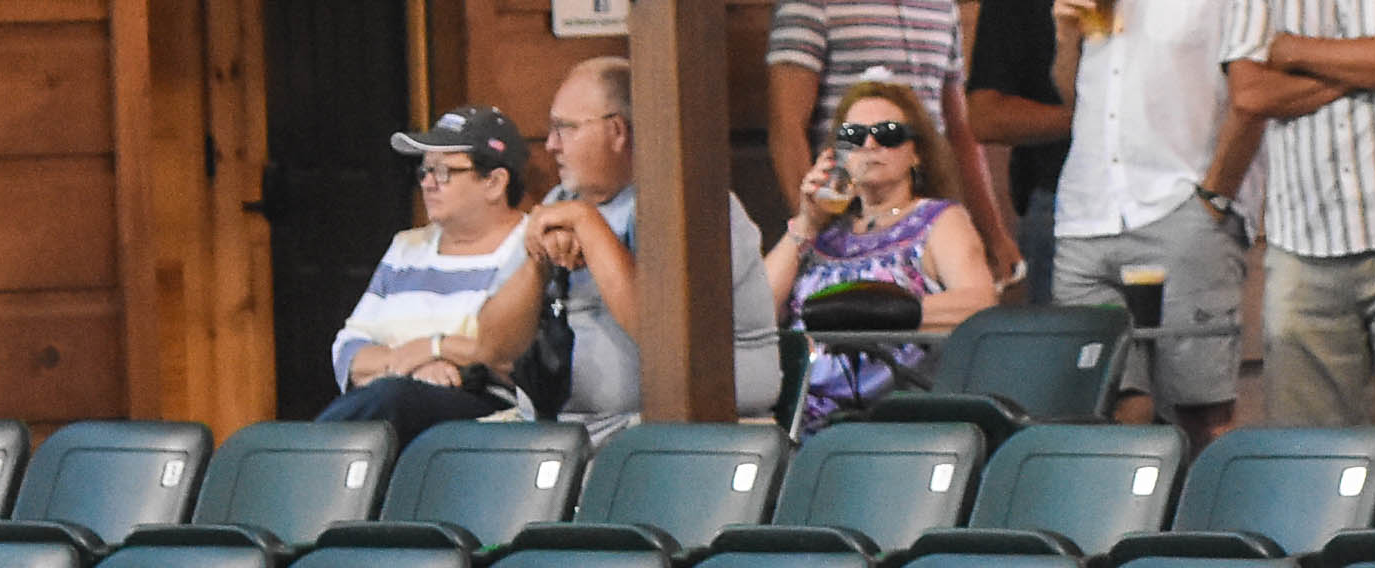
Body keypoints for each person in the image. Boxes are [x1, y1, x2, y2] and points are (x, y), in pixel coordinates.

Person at [475, 58, 781, 441]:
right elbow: (492, 348)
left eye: (564, 128)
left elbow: (664, 337)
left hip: (684, 435)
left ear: (617, 131)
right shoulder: (559, 203)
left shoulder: (691, 204)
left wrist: (588, 225)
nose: (551, 145)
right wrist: (538, 265)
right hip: (555, 435)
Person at [1222, 0, 1375, 428]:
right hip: (1303, 236)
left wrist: (1293, 51)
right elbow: (1251, 93)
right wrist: (1372, 68)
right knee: (1309, 456)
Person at [1052, 0, 1260, 429]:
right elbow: (1075, 99)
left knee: (1200, 408)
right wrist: (1065, 36)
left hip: (1180, 205)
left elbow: (1254, 94)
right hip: (1085, 213)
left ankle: (1204, 497)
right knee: (1104, 403)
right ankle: (1129, 498)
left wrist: (1214, 199)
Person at [768, 74, 1004, 432]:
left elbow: (979, 302)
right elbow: (758, 312)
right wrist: (805, 223)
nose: (871, 143)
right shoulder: (823, 233)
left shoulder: (936, 220)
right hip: (798, 414)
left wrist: (877, 315)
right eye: (854, 136)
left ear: (916, 152)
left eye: (889, 134)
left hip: (888, 417)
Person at [316, 108, 537, 446]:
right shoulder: (407, 248)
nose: (428, 183)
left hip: (492, 415)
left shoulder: (530, 244)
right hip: (399, 402)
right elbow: (349, 349)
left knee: (391, 401)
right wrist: (412, 368)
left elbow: (508, 355)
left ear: (494, 183)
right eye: (425, 170)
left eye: (445, 172)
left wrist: (434, 349)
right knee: (392, 398)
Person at [769, 0, 1021, 274]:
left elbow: (959, 130)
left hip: (930, 215)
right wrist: (813, 233)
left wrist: (993, 234)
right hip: (849, 214)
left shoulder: (942, 6)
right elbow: (787, 127)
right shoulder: (811, 4)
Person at [968, 0, 1079, 293]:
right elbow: (985, 118)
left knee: (1178, 334)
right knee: (1068, 336)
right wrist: (1092, 122)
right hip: (1058, 198)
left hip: (1174, 193)